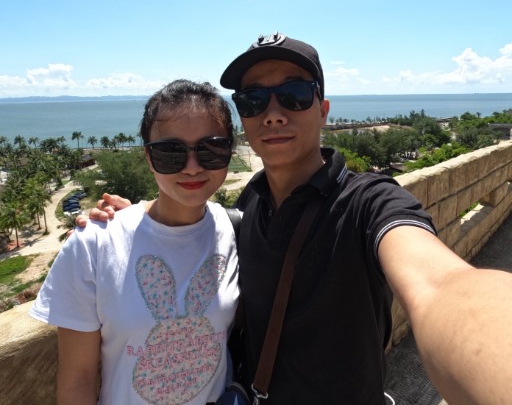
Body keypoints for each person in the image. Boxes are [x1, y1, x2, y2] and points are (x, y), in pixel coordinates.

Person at [82, 33, 512, 405]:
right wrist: (139, 219)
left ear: (322, 109)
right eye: (254, 100)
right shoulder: (249, 206)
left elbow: (441, 286)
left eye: (294, 95)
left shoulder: (367, 203)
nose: (273, 113)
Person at [31, 79, 240, 405]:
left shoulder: (233, 228)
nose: (192, 167)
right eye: (170, 152)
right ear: (148, 157)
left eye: (210, 149)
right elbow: (78, 379)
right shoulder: (94, 243)